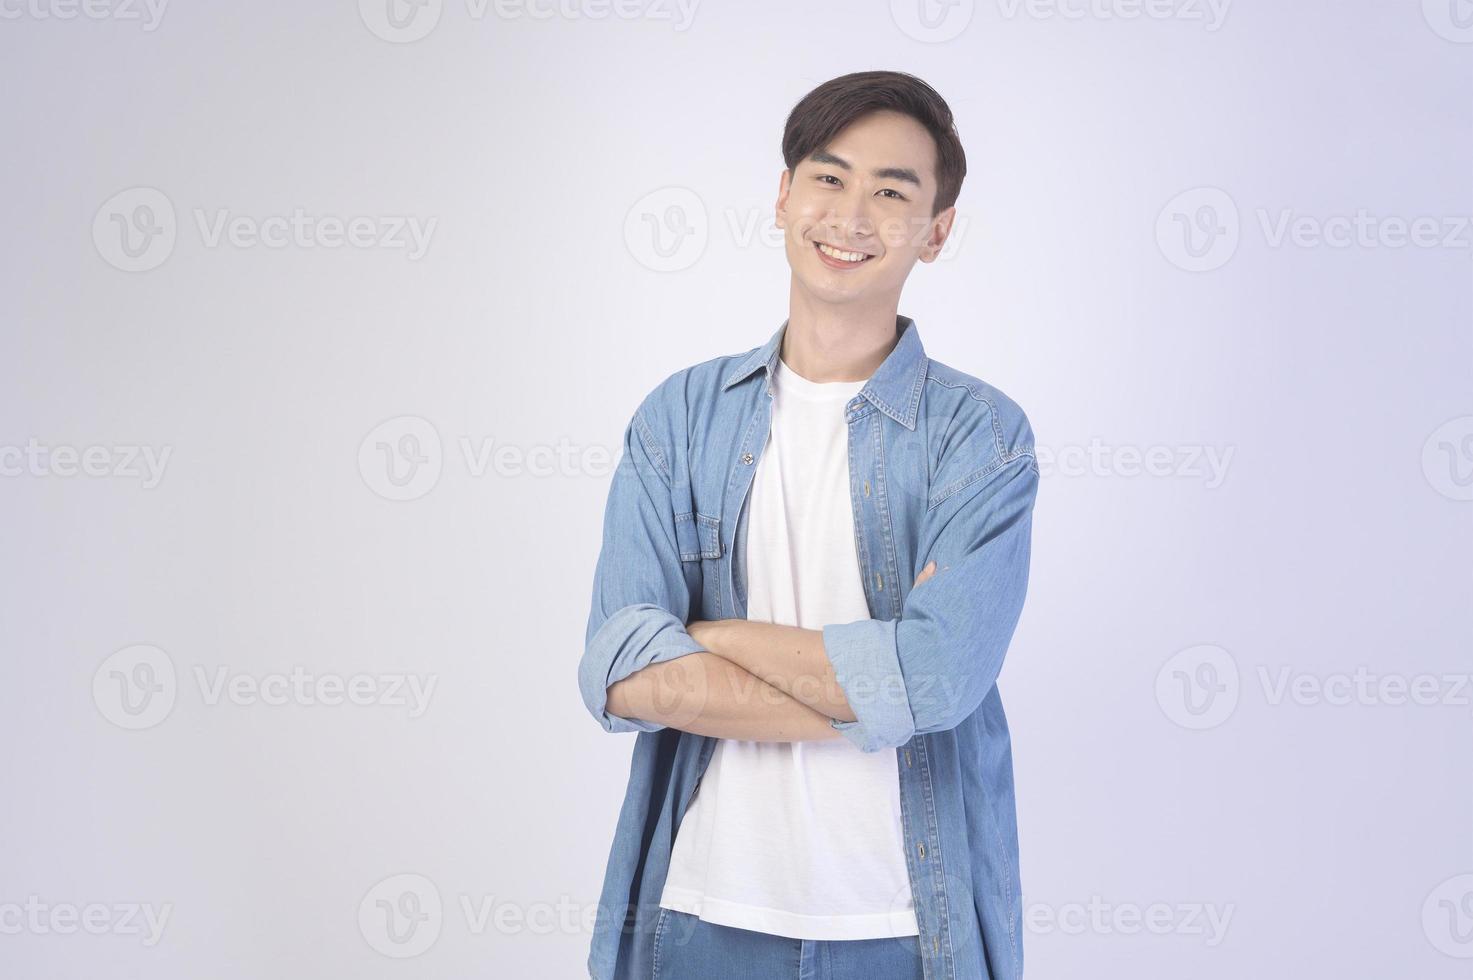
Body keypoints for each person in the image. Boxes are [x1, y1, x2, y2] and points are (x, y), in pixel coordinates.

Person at [578, 69, 1039, 980]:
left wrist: (704, 637)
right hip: (700, 915)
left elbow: (941, 681)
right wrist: (879, 690)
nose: (852, 215)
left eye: (892, 191)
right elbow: (621, 672)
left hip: (908, 929)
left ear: (937, 231)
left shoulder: (981, 436)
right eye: (828, 178)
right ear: (784, 196)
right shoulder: (680, 417)